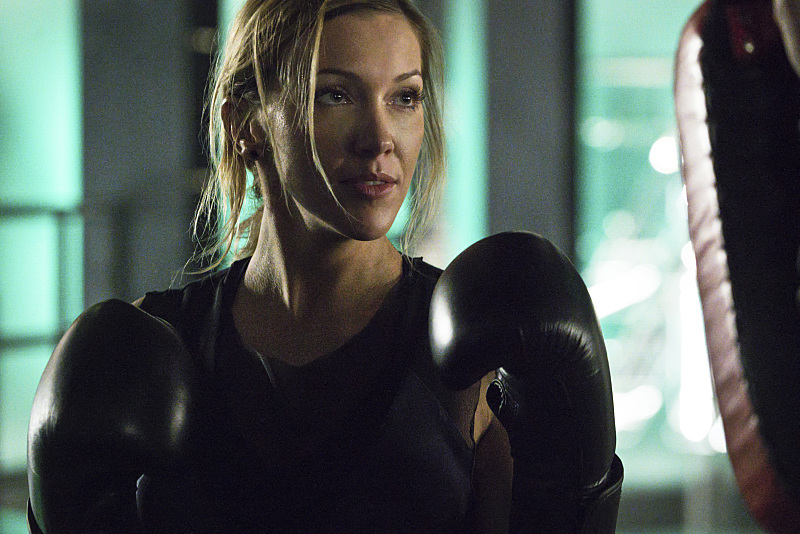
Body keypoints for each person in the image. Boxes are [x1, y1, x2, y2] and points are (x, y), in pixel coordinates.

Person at [27, 1, 621, 532]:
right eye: (334, 94)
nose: (379, 138)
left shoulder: (476, 365)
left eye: (405, 97)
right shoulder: (157, 348)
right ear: (245, 124)